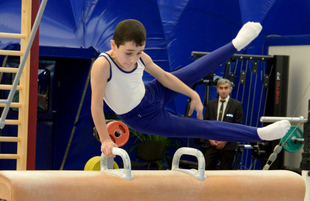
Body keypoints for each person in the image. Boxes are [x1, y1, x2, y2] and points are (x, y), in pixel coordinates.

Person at [90, 19, 290, 157]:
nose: (134, 59)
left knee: (193, 71)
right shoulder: (103, 65)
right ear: (113, 45)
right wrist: (105, 140)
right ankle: (258, 134)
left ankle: (235, 44)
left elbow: (165, 77)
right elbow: (96, 106)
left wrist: (192, 93)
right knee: (202, 127)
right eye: (129, 53)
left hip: (152, 92)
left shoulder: (142, 57)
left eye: (139, 52)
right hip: (142, 117)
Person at [204, 78, 243, 170]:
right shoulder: (211, 104)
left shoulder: (237, 105)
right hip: (211, 144)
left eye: (226, 88)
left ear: (230, 89)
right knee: (206, 170)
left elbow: (237, 126)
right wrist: (210, 139)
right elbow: (206, 123)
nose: (223, 90)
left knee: (225, 172)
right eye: (221, 88)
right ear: (217, 89)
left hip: (228, 145)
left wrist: (225, 141)